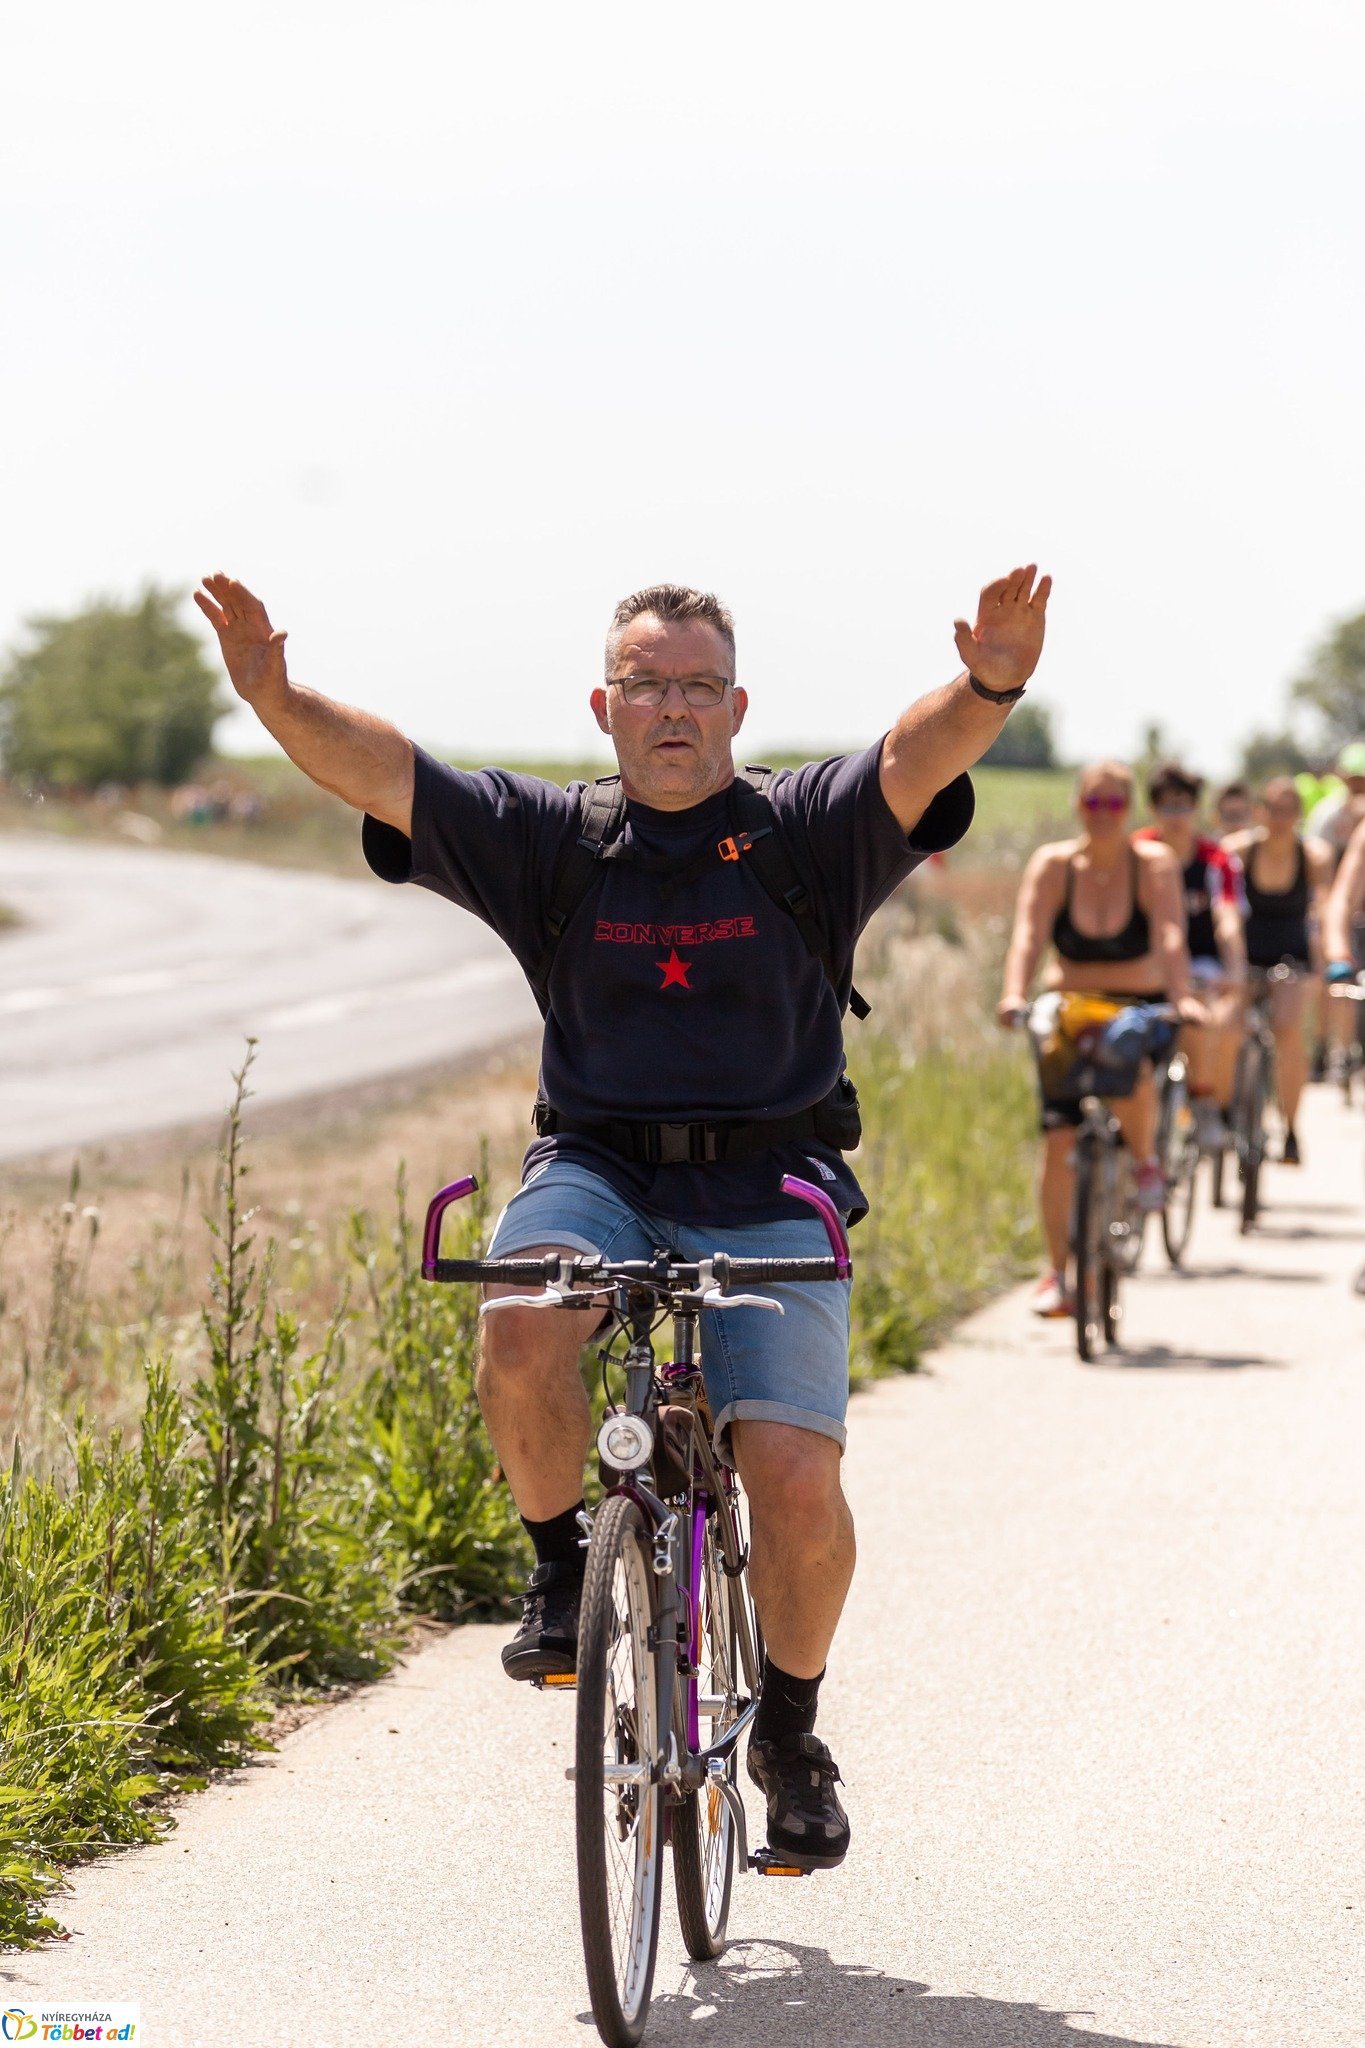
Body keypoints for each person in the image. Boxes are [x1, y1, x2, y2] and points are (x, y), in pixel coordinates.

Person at [194, 562, 1052, 1871]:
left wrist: (992, 679)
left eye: (698, 685)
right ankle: (557, 1566)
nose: (672, 707)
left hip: (773, 1183)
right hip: (598, 1164)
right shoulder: (557, 837)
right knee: (526, 1317)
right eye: (646, 683)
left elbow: (914, 751)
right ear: (604, 705)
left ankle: (791, 1735)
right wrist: (273, 693)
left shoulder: (804, 829)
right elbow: (387, 773)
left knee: (796, 1478)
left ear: (735, 704)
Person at [998, 760, 1201, 1318]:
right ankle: (1057, 1274)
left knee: (1132, 1057)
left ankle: (1145, 1164)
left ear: (1129, 807)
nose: (1104, 815)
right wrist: (1014, 994)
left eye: (1115, 804)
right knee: (1059, 1140)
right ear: (1078, 806)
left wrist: (1182, 997)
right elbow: (1028, 936)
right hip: (1071, 1012)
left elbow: (1169, 933)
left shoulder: (1152, 864)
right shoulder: (1055, 865)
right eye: (1094, 803)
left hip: (1137, 1007)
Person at [1133, 762, 1246, 1151]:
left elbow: (1227, 918)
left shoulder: (1217, 860)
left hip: (1202, 960)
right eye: (1167, 806)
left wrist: (1234, 967)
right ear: (1153, 809)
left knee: (1198, 1012)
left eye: (1183, 806)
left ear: (1196, 809)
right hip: (1146, 961)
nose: (1176, 816)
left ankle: (1203, 1101)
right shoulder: (1136, 852)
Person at [1225, 780, 1333, 1164]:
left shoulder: (1313, 855)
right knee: (1229, 1024)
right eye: (1273, 809)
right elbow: (1225, 908)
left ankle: (1289, 1128)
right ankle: (1222, 1111)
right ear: (1260, 811)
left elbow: (1320, 911)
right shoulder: (1238, 851)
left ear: (1299, 815)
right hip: (1244, 956)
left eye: (1289, 811)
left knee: (1288, 1030)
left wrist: (1321, 965)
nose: (1280, 819)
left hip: (1292, 956)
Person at [1304, 743, 1365, 1079]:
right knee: (1333, 975)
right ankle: (1327, 1049)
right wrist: (1336, 947)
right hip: (1345, 910)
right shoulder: (1329, 816)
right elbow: (1338, 892)